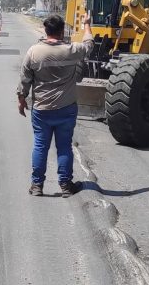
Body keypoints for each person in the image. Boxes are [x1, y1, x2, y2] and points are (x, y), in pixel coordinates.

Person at [16, 12, 94, 197]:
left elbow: (24, 80)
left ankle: (37, 186)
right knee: (64, 147)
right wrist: (87, 24)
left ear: (45, 30)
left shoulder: (34, 52)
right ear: (61, 31)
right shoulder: (71, 51)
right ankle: (66, 186)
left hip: (41, 110)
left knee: (40, 146)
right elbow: (89, 45)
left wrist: (21, 100)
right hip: (66, 109)